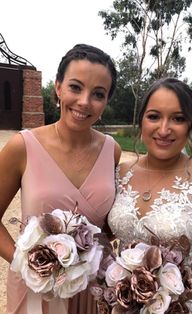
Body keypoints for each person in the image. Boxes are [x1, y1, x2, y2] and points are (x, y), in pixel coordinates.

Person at [0, 43, 121, 314]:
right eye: (75, 87)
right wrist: (26, 262)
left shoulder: (112, 150)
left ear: (106, 102)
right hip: (37, 291)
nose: (84, 102)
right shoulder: (22, 147)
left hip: (93, 289)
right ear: (58, 87)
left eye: (98, 94)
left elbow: (111, 226)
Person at [108, 77, 192, 313]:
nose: (164, 129)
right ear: (141, 121)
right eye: (154, 116)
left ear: (190, 125)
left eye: (177, 118)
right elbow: (102, 235)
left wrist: (185, 307)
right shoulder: (119, 174)